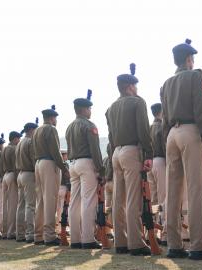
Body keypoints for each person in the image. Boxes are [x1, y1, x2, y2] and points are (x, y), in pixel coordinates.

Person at [160, 39, 202, 260]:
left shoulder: (166, 83)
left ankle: (174, 245)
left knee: (173, 192)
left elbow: (165, 117)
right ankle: (198, 245)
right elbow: (201, 112)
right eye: (192, 58)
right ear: (188, 60)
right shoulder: (196, 76)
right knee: (195, 190)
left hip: (171, 135)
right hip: (191, 131)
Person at [106, 63, 153, 256]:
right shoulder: (137, 102)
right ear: (130, 87)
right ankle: (135, 243)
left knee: (119, 200)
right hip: (131, 150)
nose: (137, 89)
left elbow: (109, 138)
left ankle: (121, 242)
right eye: (135, 86)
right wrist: (148, 154)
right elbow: (143, 130)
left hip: (116, 152)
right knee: (133, 199)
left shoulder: (110, 108)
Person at [66, 89, 104, 249]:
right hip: (86, 163)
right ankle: (88, 238)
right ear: (84, 109)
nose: (90, 111)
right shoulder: (89, 125)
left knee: (74, 203)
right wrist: (101, 170)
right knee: (88, 201)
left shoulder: (69, 127)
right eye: (89, 108)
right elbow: (95, 150)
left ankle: (75, 239)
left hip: (73, 164)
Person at [33, 105, 69, 246]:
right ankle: (49, 235)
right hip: (49, 163)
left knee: (40, 201)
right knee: (50, 200)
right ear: (52, 118)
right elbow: (55, 151)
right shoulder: (51, 129)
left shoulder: (37, 131)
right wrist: (63, 167)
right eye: (55, 118)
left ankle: (39, 235)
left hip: (38, 163)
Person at [15, 120, 38, 243]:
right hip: (29, 173)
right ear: (31, 130)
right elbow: (34, 159)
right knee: (31, 205)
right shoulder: (30, 141)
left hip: (20, 174)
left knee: (21, 205)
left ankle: (20, 233)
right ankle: (30, 233)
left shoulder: (20, 143)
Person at [148, 103, 167, 244]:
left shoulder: (149, 127)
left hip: (150, 163)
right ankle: (165, 232)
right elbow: (166, 148)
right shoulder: (162, 126)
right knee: (164, 199)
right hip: (161, 161)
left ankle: (153, 231)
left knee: (154, 199)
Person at [1, 132, 22, 240]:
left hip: (5, 176)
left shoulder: (4, 148)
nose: (19, 141)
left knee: (5, 206)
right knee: (13, 206)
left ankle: (4, 231)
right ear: (15, 139)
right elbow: (16, 166)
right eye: (18, 139)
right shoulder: (14, 149)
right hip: (12, 175)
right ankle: (11, 232)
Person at [56, 150, 70, 234]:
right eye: (66, 155)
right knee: (62, 209)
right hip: (63, 187)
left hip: (56, 187)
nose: (67, 156)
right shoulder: (65, 165)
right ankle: (62, 228)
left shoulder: (55, 164)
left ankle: (58, 228)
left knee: (57, 209)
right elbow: (67, 177)